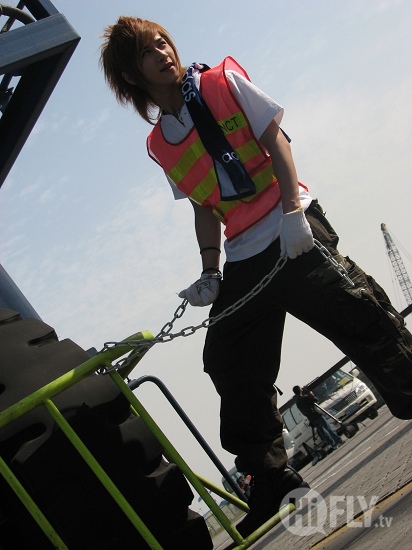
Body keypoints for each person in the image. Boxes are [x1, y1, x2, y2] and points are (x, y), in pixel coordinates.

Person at [99, 17, 412, 537]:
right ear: (132, 76)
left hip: (292, 229)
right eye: (147, 52)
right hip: (244, 253)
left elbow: (277, 140)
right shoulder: (160, 143)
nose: (162, 53)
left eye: (162, 42)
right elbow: (202, 205)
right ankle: (271, 479)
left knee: (360, 315)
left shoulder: (222, 82)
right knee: (228, 357)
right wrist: (209, 270)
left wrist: (293, 212)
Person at [293, 386, 343, 450]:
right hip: (317, 415)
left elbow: (303, 412)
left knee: (323, 433)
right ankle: (338, 440)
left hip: (312, 419)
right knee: (329, 428)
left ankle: (333, 444)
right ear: (300, 390)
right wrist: (311, 395)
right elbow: (315, 399)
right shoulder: (305, 398)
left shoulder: (298, 403)